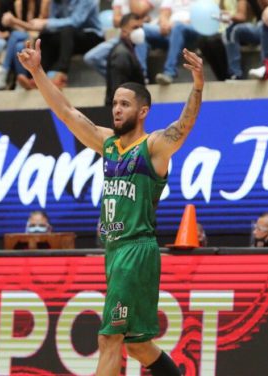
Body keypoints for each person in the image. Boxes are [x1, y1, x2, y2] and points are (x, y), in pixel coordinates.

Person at [18, 36, 204, 375]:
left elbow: (184, 126)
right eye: (115, 103)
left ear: (142, 111)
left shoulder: (154, 147)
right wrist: (38, 71)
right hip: (115, 252)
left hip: (136, 251)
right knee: (137, 345)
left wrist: (197, 87)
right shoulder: (109, 145)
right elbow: (67, 113)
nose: (116, 109)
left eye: (125, 104)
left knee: (109, 338)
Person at [26, 0, 103, 88]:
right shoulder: (55, 2)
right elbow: (53, 23)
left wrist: (46, 22)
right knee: (45, 35)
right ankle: (39, 76)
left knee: (67, 30)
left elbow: (76, 22)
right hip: (68, 38)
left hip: (92, 36)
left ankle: (61, 74)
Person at [105, 13, 145, 106]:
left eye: (141, 27)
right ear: (123, 31)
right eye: (135, 28)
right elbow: (118, 90)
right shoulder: (121, 54)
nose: (140, 31)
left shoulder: (129, 51)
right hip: (124, 112)